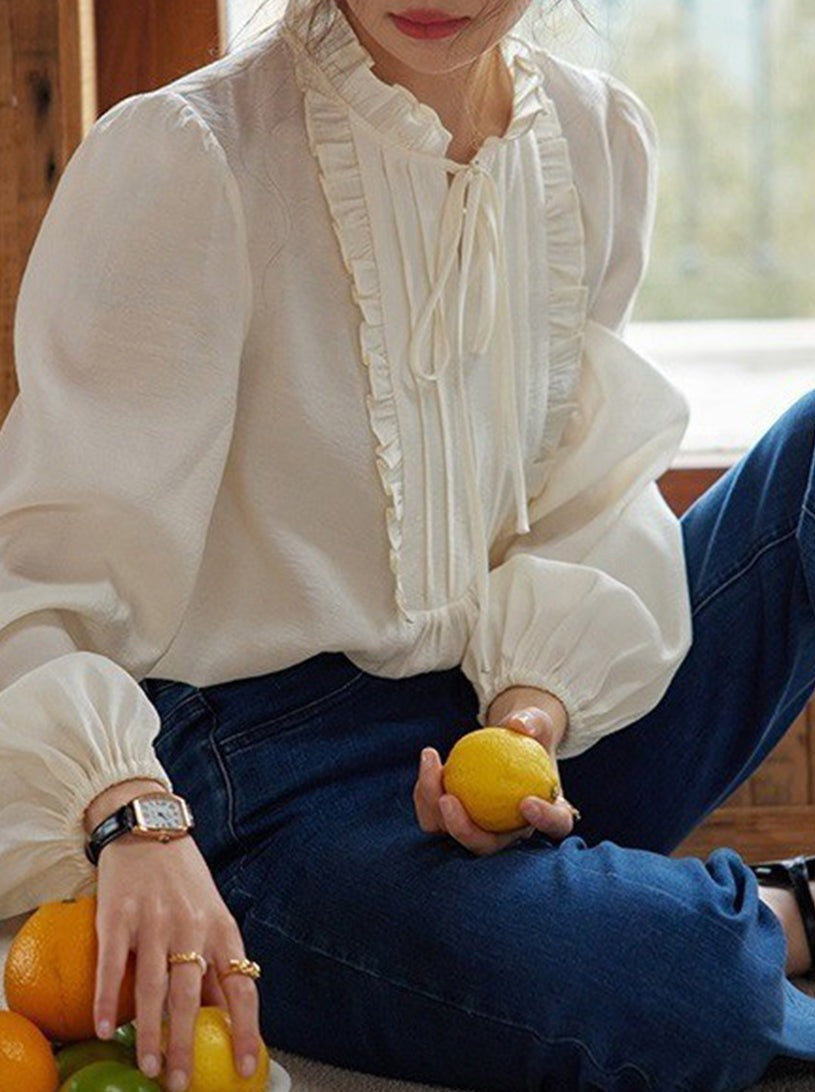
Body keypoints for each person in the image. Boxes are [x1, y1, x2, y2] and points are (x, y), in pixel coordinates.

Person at [2, 0, 815, 1088]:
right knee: (686, 986)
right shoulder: (188, 159)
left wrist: (527, 716)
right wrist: (134, 821)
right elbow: (36, 580)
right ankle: (773, 915)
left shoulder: (595, 136)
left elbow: (580, 499)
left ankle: (600, 907)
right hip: (268, 795)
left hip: (507, 728)